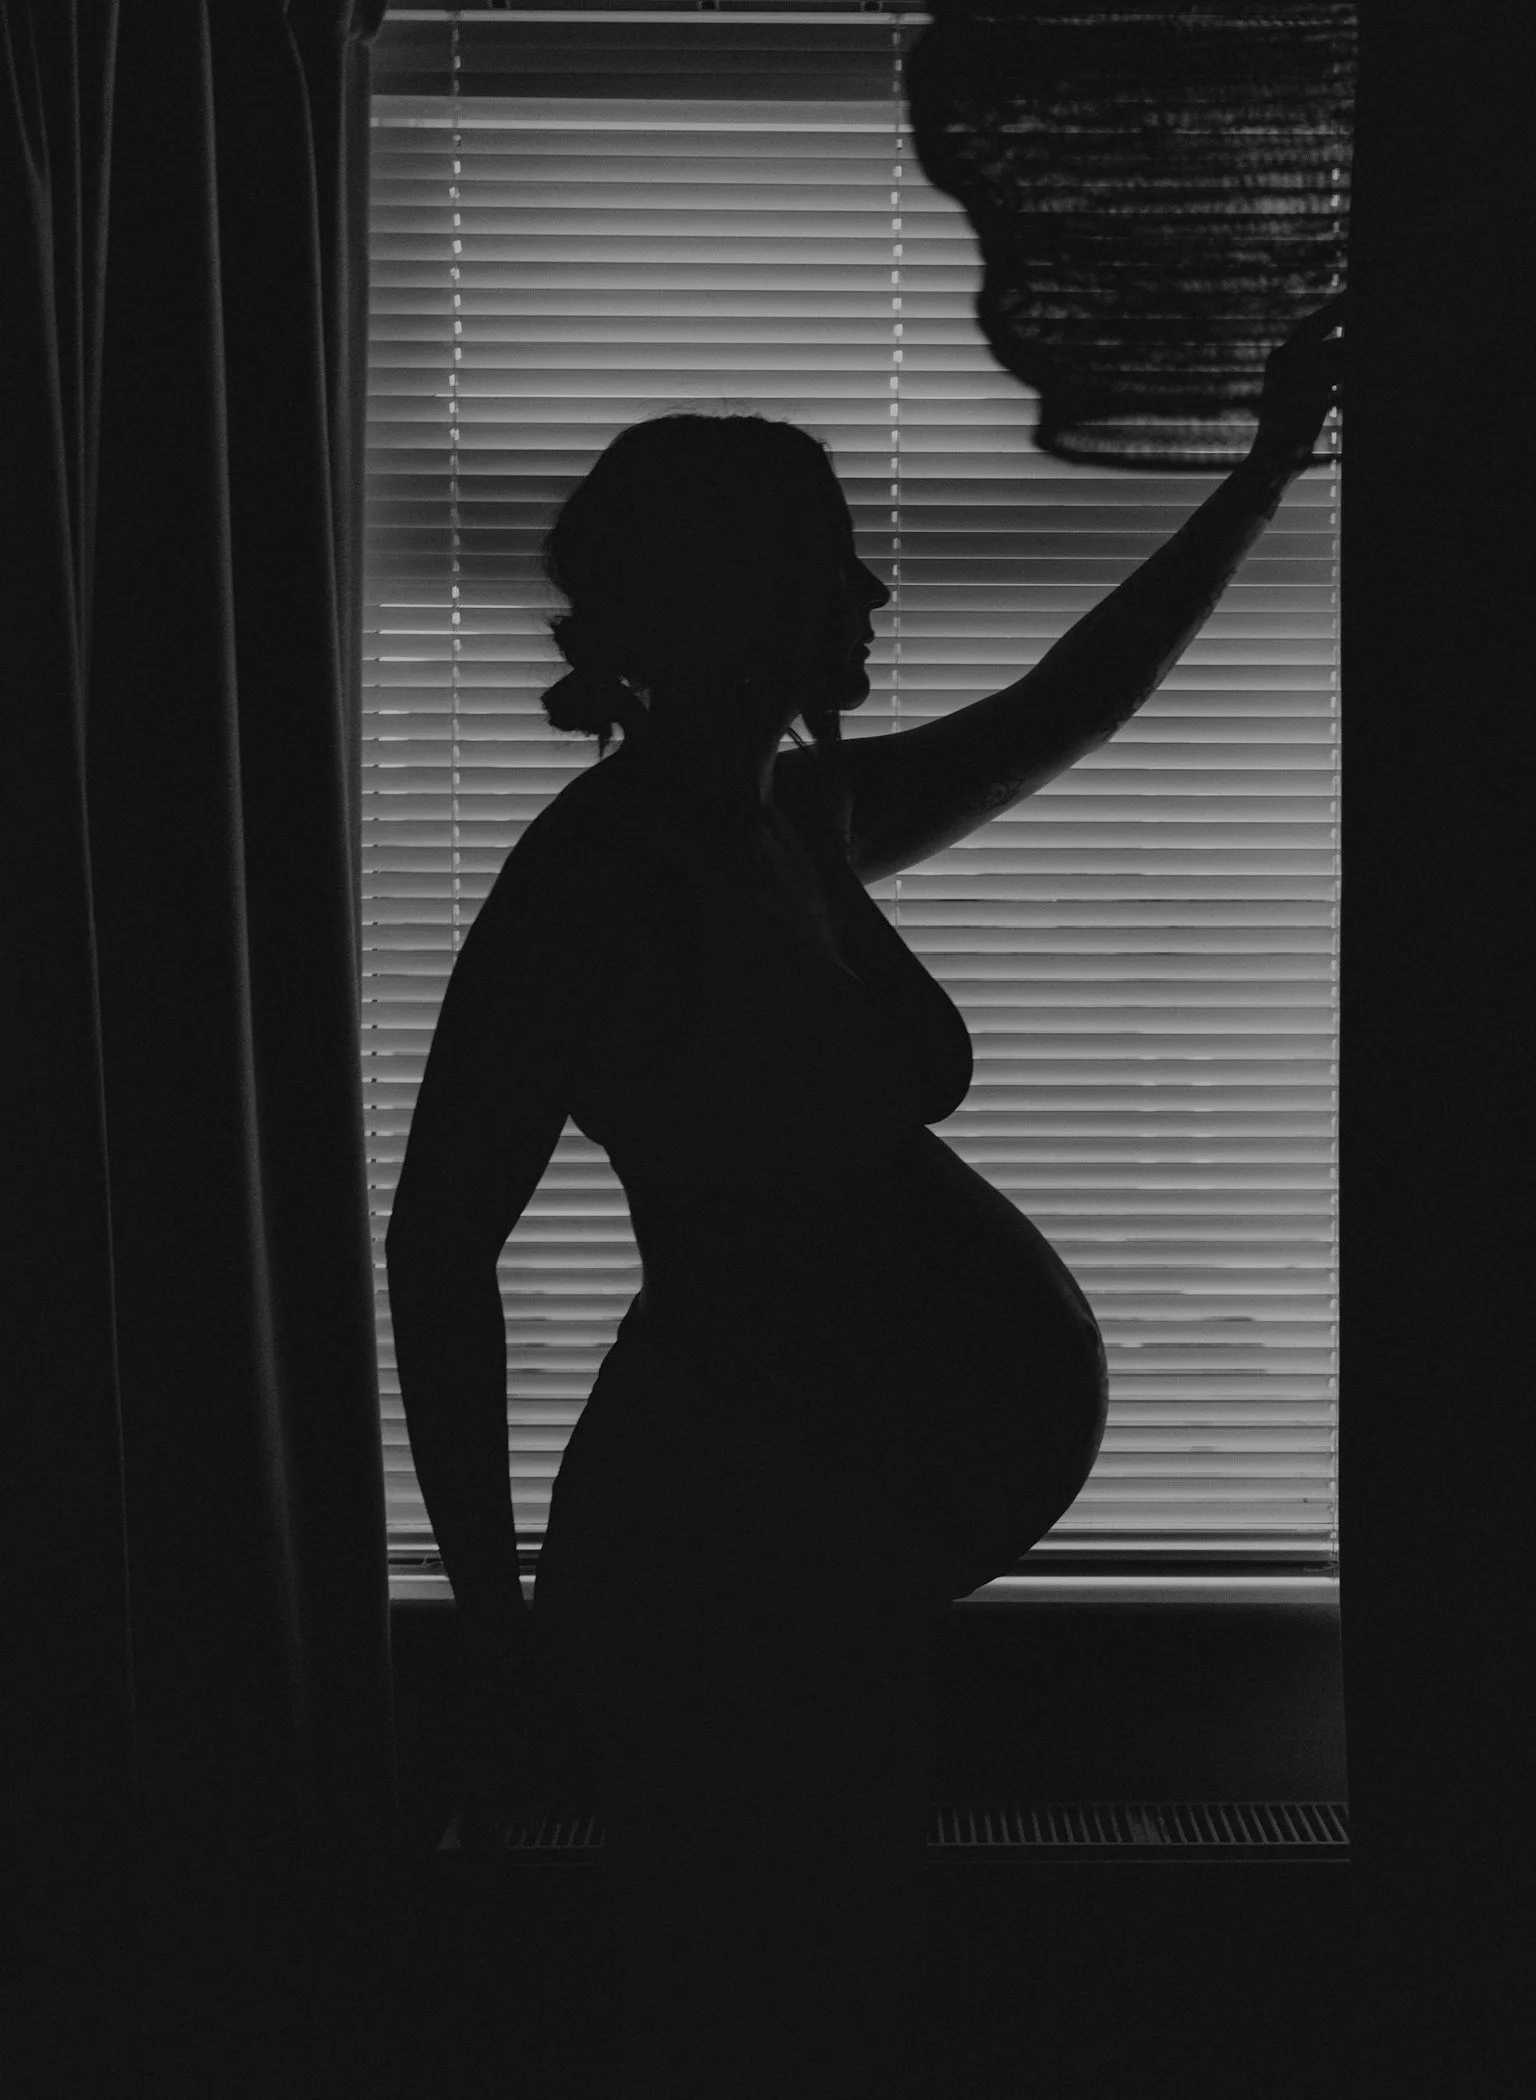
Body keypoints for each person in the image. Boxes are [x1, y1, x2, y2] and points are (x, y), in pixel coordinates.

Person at [384, 297, 1345, 2095]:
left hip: (825, 1544)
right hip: (711, 1555)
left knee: (840, 1993)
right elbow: (439, 1249)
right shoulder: (596, 879)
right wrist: (500, 1630)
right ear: (743, 595)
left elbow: (1076, 703)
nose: (876, 597)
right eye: (838, 566)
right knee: (759, 2006)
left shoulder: (789, 823)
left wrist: (1266, 470)